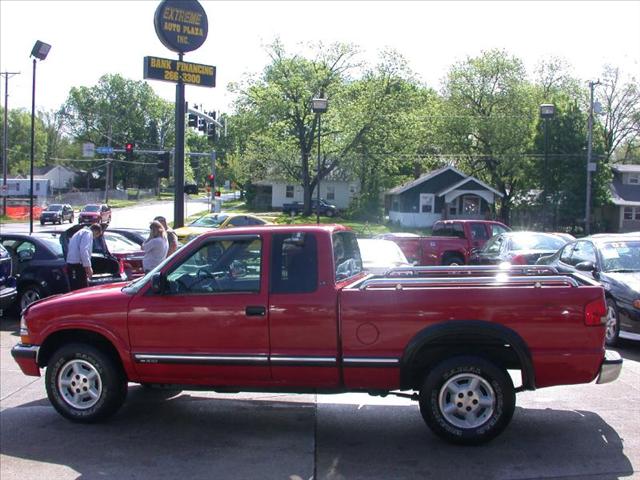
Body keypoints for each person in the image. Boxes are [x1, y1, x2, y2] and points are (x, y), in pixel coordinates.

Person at [66, 223, 103, 291]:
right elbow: (84, 250)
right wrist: (88, 267)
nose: (95, 238)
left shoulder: (80, 232)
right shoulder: (88, 233)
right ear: (96, 231)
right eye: (97, 235)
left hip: (72, 263)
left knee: (74, 288)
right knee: (81, 289)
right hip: (77, 265)